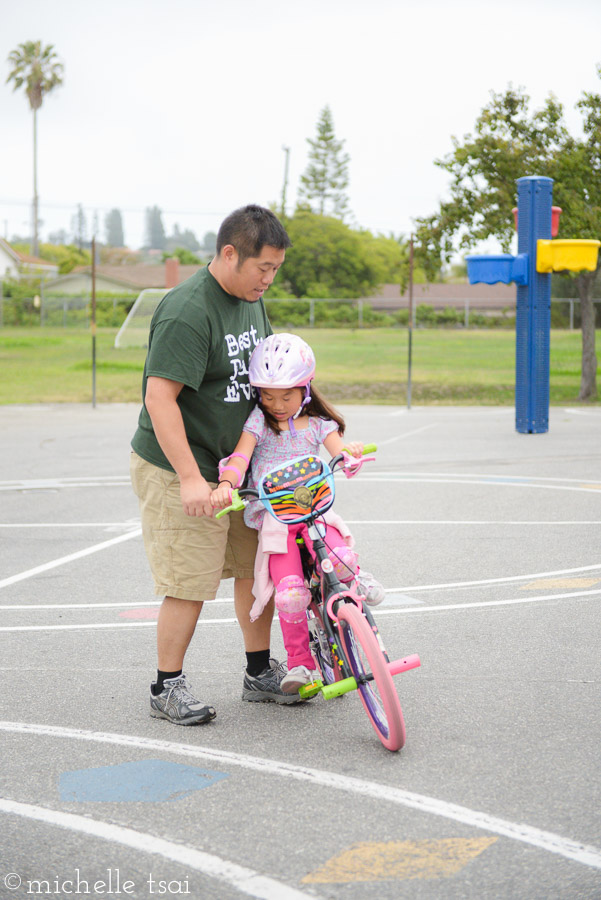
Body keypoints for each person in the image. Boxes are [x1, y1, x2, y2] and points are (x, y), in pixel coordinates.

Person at [130, 204, 302, 727]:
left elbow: (269, 380)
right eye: (262, 268)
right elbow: (160, 399)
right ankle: (166, 686)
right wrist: (189, 478)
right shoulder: (188, 310)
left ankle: (258, 673)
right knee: (189, 579)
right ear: (229, 254)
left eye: (276, 269)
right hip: (180, 463)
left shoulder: (253, 302)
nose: (268, 280)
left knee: (258, 568)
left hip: (238, 467)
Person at [211, 333, 385, 694]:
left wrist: (350, 456)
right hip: (278, 523)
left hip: (316, 515)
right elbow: (241, 457)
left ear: (306, 389)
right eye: (267, 395)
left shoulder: (320, 425)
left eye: (286, 396)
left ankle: (354, 582)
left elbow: (340, 453)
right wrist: (227, 482)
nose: (276, 404)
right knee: (290, 593)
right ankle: (300, 665)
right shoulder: (258, 424)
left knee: (340, 559)